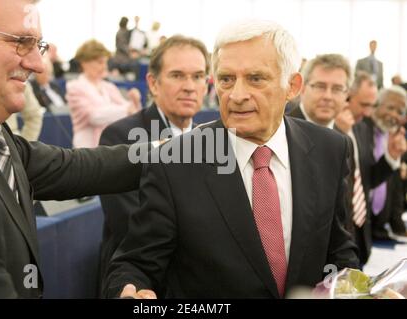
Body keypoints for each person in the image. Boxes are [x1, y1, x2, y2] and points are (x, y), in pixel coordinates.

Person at [104, 19, 359, 299]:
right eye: (226, 79)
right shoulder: (173, 161)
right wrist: (130, 291)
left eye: (255, 78)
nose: (236, 95)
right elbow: (136, 265)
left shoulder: (329, 149)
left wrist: (354, 290)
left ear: (292, 85)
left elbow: (338, 250)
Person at [0, 0, 142, 298]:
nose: (38, 64)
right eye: (20, 42)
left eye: (37, 45)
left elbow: (82, 167)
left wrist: (184, 149)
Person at [98, 35, 209, 290]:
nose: (190, 86)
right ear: (153, 83)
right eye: (178, 75)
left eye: (198, 76)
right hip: (141, 285)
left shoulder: (212, 141)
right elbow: (133, 227)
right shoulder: (121, 136)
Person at [337, 72, 403, 264]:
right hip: (336, 244)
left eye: (371, 106)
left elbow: (365, 180)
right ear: (347, 97)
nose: (368, 113)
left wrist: (391, 156)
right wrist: (336, 132)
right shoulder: (336, 127)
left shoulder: (361, 128)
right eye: (364, 105)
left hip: (360, 241)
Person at [66, 39, 141, 148]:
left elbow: (130, 113)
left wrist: (135, 102)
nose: (105, 67)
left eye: (105, 62)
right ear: (84, 62)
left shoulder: (109, 87)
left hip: (108, 149)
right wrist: (128, 109)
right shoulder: (75, 87)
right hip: (86, 151)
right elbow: (94, 116)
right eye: (100, 62)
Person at [368, 86, 407, 240]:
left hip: (380, 231)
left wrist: (398, 227)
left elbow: (396, 188)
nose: (393, 115)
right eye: (390, 107)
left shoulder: (397, 141)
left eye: (400, 112)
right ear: (376, 104)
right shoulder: (359, 131)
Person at [289, 54, 351, 129]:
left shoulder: (344, 138)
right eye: (320, 87)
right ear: (302, 89)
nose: (328, 96)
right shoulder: (281, 131)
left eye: (337, 89)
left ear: (346, 94)